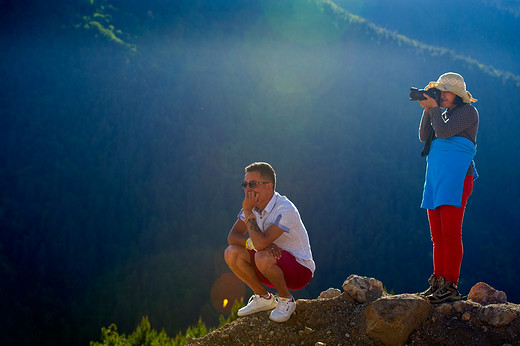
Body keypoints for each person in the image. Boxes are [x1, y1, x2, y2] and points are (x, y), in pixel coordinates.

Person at [416, 72, 479, 303]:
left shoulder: (469, 113)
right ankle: (439, 281)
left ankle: (450, 284)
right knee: (437, 235)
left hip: (457, 178)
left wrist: (433, 109)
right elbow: (425, 136)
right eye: (439, 91)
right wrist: (427, 110)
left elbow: (442, 132)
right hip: (436, 177)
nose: (442, 95)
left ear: (458, 96)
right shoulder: (441, 114)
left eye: (446, 91)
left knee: (451, 233)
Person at [224, 162, 315, 322]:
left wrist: (248, 213)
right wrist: (253, 244)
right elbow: (233, 237)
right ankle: (263, 298)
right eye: (245, 184)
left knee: (262, 256)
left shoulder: (285, 209)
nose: (247, 190)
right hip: (269, 264)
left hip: (299, 270)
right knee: (231, 252)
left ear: (268, 186)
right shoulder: (253, 205)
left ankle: (286, 300)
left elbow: (260, 245)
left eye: (252, 184)